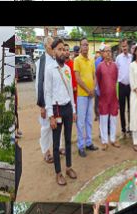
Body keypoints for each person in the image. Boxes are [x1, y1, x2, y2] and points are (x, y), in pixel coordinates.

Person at [45, 40, 77, 187]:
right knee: (56, 145)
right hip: (56, 110)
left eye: (64, 49)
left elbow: (70, 90)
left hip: (67, 109)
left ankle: (69, 167)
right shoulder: (50, 69)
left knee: (68, 140)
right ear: (53, 51)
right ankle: (58, 173)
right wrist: (50, 116)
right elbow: (48, 94)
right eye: (59, 49)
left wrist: (74, 109)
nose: (63, 52)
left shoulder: (67, 69)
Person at [73, 41, 97, 157]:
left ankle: (89, 143)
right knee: (81, 122)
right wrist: (88, 90)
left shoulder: (91, 60)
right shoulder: (77, 60)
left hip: (90, 95)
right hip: (82, 95)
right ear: (80, 47)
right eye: (83, 45)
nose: (85, 47)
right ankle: (81, 146)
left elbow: (94, 76)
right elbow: (77, 79)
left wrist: (93, 88)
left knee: (89, 120)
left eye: (87, 45)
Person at [95, 45, 120, 150]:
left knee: (114, 119)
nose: (109, 53)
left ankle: (113, 139)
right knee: (104, 119)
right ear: (103, 53)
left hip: (113, 97)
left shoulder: (115, 66)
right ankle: (104, 141)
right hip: (103, 97)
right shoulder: (100, 66)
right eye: (106, 51)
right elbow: (98, 80)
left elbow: (116, 80)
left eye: (110, 51)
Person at [116, 39, 132, 138]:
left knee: (131, 109)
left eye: (126, 46)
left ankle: (130, 128)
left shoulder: (132, 57)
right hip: (121, 85)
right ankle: (123, 130)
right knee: (122, 109)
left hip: (130, 86)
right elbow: (117, 71)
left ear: (128, 46)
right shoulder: (118, 58)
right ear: (121, 47)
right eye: (123, 46)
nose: (124, 48)